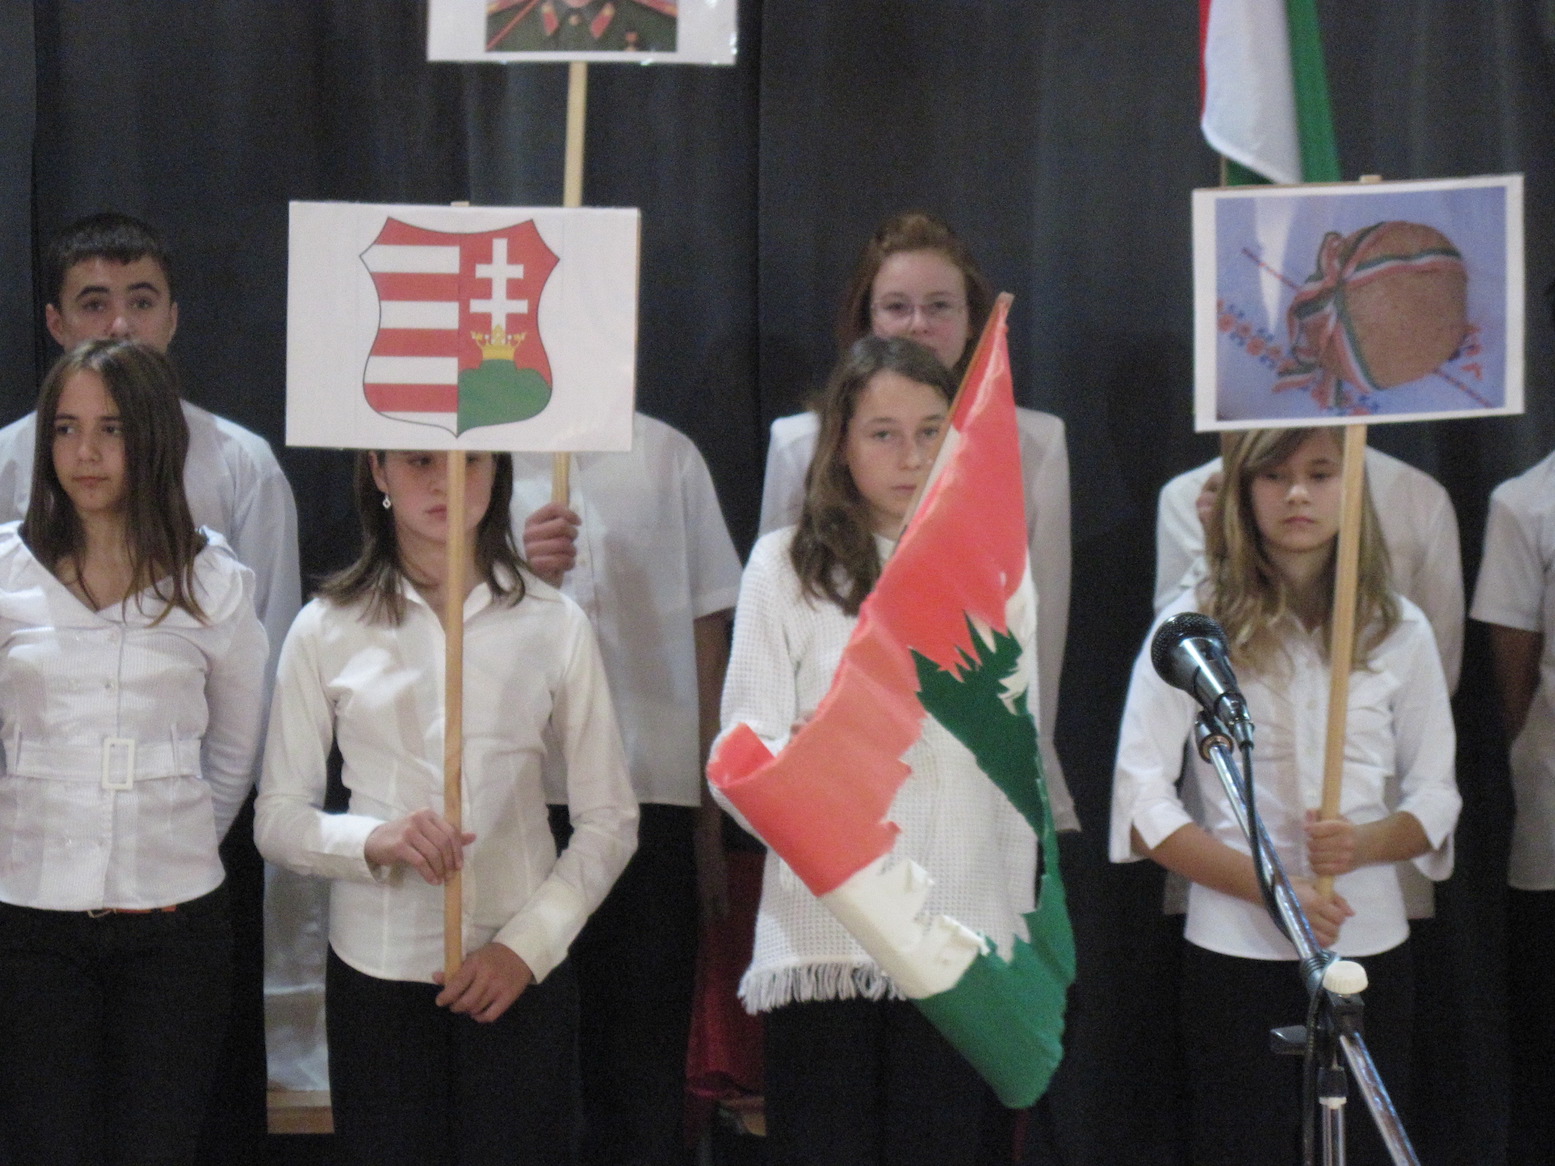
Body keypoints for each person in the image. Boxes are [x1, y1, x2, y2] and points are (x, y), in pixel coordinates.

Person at [0, 211, 304, 1148]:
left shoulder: (212, 577)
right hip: (30, 901)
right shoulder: (6, 567)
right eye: (68, 431)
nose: (87, 452)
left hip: (172, 904)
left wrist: (174, 830)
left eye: (111, 431)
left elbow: (239, 740)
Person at [256, 447, 637, 1166]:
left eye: (471, 463)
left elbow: (610, 819)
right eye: (420, 461)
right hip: (377, 971)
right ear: (378, 471)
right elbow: (277, 817)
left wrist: (526, 947)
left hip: (517, 970)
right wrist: (372, 840)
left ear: (497, 472)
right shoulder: (326, 626)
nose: (445, 482)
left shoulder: (553, 622)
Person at [719, 336, 1037, 1166]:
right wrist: (822, 797)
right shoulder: (784, 567)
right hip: (829, 926)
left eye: (930, 431)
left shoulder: (996, 574)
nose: (910, 455)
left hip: (955, 933)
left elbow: (1014, 772)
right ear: (842, 444)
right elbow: (743, 747)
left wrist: (1014, 941)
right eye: (883, 433)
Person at [1112, 426, 1461, 1166]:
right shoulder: (1191, 631)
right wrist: (1272, 890)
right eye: (1273, 475)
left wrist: (1365, 843)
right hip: (1232, 948)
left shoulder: (1399, 628)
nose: (1297, 493)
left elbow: (1437, 796)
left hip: (1366, 943)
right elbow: (1141, 804)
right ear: (1241, 491)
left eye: (1320, 473)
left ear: (1352, 484)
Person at [758, 211, 1075, 832]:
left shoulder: (1034, 445)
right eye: (896, 307)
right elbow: (781, 613)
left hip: (979, 768)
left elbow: (1045, 629)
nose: (919, 325)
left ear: (972, 319)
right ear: (866, 319)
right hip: (842, 771)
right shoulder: (800, 445)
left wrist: (1024, 761)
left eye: (939, 307)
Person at [512, 412, 742, 1166]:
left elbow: (709, 640)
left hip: (651, 796)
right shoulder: (477, 454)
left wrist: (708, 821)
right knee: (527, 1062)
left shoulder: (669, 454)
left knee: (642, 1065)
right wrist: (520, 577)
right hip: (520, 797)